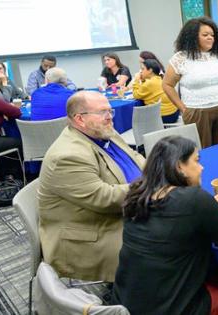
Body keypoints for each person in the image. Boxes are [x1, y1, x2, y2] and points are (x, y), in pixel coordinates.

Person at [113, 136, 218, 315]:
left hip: (127, 302)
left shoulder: (137, 194)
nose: (201, 168)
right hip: (173, 308)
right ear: (179, 166)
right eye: (196, 161)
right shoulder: (194, 199)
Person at [38, 91, 145, 283]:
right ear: (80, 119)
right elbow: (104, 198)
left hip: (126, 206)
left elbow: (135, 157)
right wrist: (154, 186)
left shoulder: (104, 132)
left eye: (110, 111)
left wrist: (158, 172)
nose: (110, 117)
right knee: (164, 241)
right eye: (103, 112)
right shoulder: (67, 156)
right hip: (91, 232)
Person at [163, 17, 218, 148]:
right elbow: (167, 85)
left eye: (212, 35)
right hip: (197, 111)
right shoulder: (181, 58)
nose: (210, 38)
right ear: (192, 36)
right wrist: (182, 108)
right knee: (201, 152)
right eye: (205, 35)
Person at [0, 73, 23, 178]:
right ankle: (18, 175)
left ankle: (7, 173)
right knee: (21, 142)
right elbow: (16, 113)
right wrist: (6, 109)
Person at [132, 59, 179, 124]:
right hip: (174, 113)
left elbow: (136, 94)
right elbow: (147, 90)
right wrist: (143, 81)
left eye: (143, 69)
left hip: (164, 116)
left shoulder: (149, 83)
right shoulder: (160, 78)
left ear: (150, 70)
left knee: (139, 117)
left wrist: (136, 80)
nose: (141, 72)